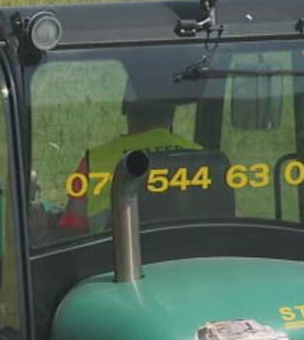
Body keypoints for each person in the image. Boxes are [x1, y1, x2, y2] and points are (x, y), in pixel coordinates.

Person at [54, 95, 202, 236]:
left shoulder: (94, 161)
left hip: (109, 258)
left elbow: (72, 230)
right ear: (172, 112)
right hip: (192, 257)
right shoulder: (200, 156)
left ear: (127, 109)